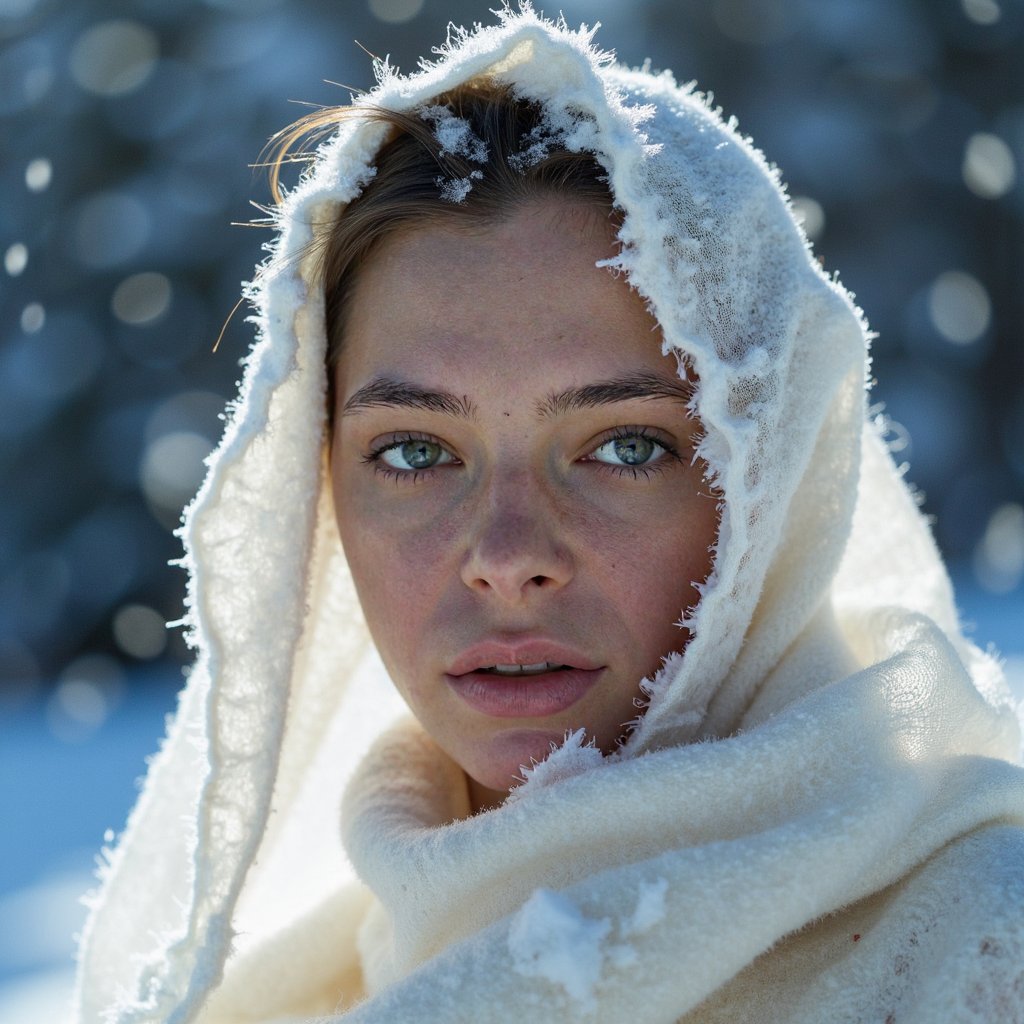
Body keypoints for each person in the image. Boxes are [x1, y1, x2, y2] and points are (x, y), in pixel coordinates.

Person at [73, 7, 1024, 1022]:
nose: (507, 556)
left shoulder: (972, 951)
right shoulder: (280, 996)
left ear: (770, 488)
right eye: (414, 452)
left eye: (624, 447)